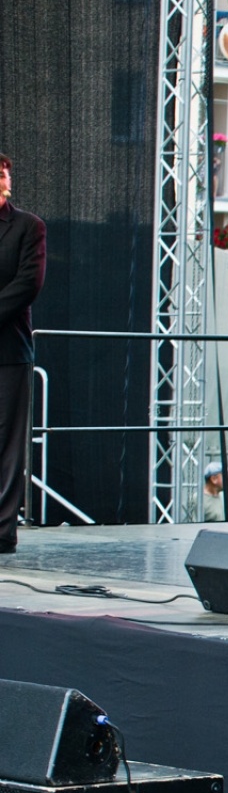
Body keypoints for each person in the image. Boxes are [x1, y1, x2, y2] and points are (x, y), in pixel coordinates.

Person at [0, 154, 45, 555]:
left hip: (8, 350)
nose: (2, 177)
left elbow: (28, 283)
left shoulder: (28, 226)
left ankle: (2, 531)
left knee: (7, 444)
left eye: (4, 172)